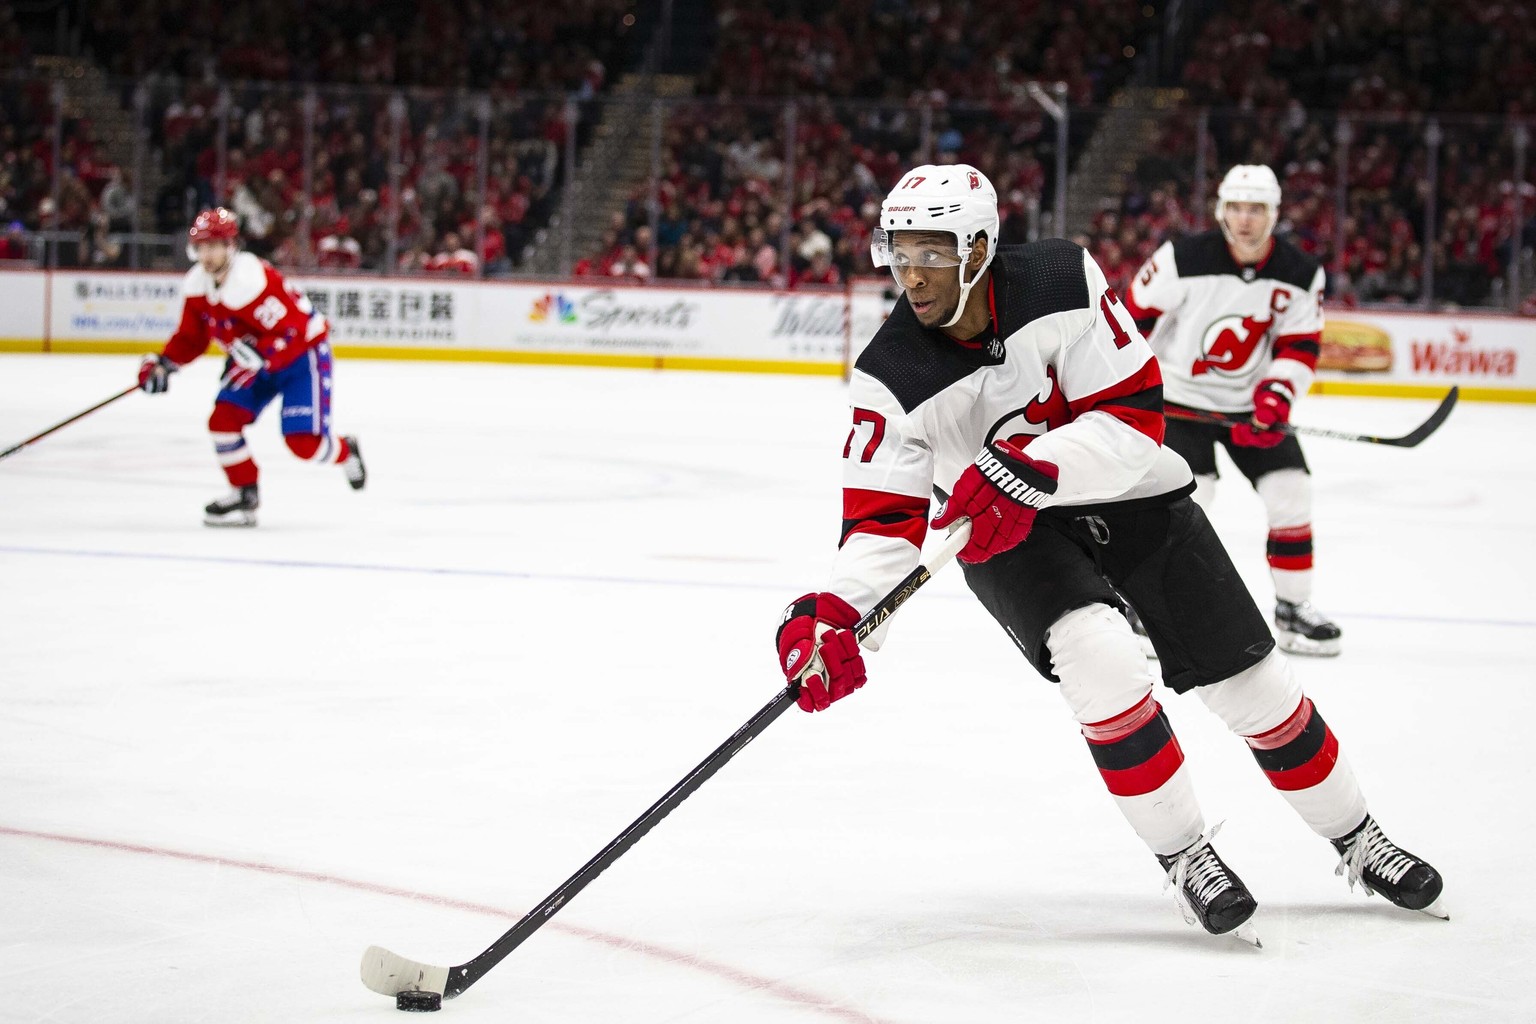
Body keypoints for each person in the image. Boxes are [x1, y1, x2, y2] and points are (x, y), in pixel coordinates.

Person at [774, 164, 1443, 943]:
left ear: (981, 246)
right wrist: (836, 615)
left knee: (1254, 686)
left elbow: (1133, 420)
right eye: (899, 252)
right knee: (1101, 661)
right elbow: (881, 522)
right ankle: (1186, 852)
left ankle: (1359, 837)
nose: (911, 274)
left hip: (1127, 490)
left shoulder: (1061, 278)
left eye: (932, 251)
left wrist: (1030, 470)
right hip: (1003, 533)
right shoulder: (890, 373)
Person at [1124, 165, 1340, 656]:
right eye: (1238, 208)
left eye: (1257, 209)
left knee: (1292, 492)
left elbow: (1300, 346)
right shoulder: (1182, 258)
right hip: (1181, 404)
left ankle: (1292, 610)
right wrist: (1133, 390)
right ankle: (1155, 608)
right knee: (1191, 500)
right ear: (1222, 211)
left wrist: (1277, 395)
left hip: (1253, 406)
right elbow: (1132, 324)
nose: (1246, 219)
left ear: (1275, 214)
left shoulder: (1301, 272)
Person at [136, 207, 366, 527]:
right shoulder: (198, 285)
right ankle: (244, 494)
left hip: (302, 356)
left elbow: (292, 332)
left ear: (230, 246)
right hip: (256, 362)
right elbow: (192, 338)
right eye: (201, 247)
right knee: (222, 421)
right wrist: (164, 363)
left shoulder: (249, 280)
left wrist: (262, 355)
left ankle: (346, 451)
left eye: (214, 246)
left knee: (303, 444)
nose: (207, 255)